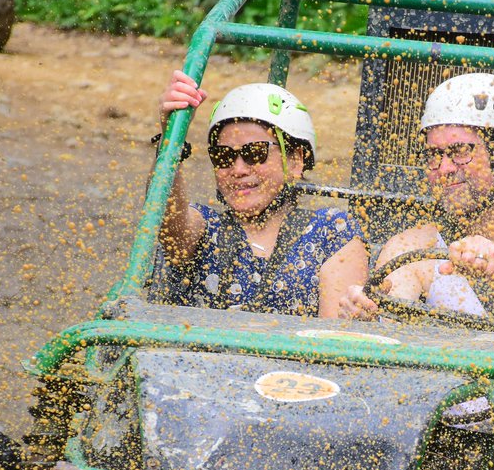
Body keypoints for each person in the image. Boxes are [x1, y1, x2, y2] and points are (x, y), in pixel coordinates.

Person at [337, 72, 494, 336]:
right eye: (434, 156)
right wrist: (367, 318)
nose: (444, 168)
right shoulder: (413, 248)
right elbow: (389, 333)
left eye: (460, 152)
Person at [157, 70, 366, 318]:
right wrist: (170, 139)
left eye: (255, 153)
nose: (238, 169)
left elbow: (331, 337)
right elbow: (167, 220)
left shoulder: (331, 232)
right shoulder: (204, 228)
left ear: (296, 161)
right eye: (223, 156)